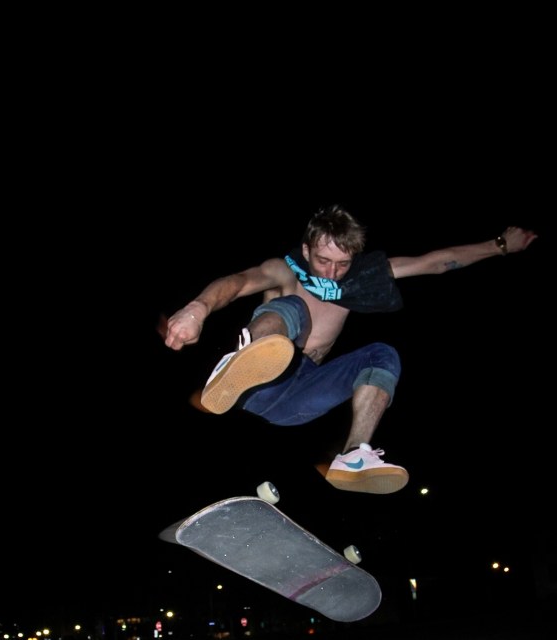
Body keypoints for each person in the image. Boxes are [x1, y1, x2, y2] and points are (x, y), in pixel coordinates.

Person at [163, 205, 537, 494]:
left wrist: (500, 246)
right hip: (255, 386)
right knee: (294, 307)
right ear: (306, 249)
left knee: (382, 354)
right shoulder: (284, 271)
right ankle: (238, 365)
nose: (331, 273)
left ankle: (355, 455)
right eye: (323, 260)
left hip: (299, 400)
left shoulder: (358, 281)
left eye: (342, 264)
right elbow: (238, 282)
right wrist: (198, 309)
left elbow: (435, 263)